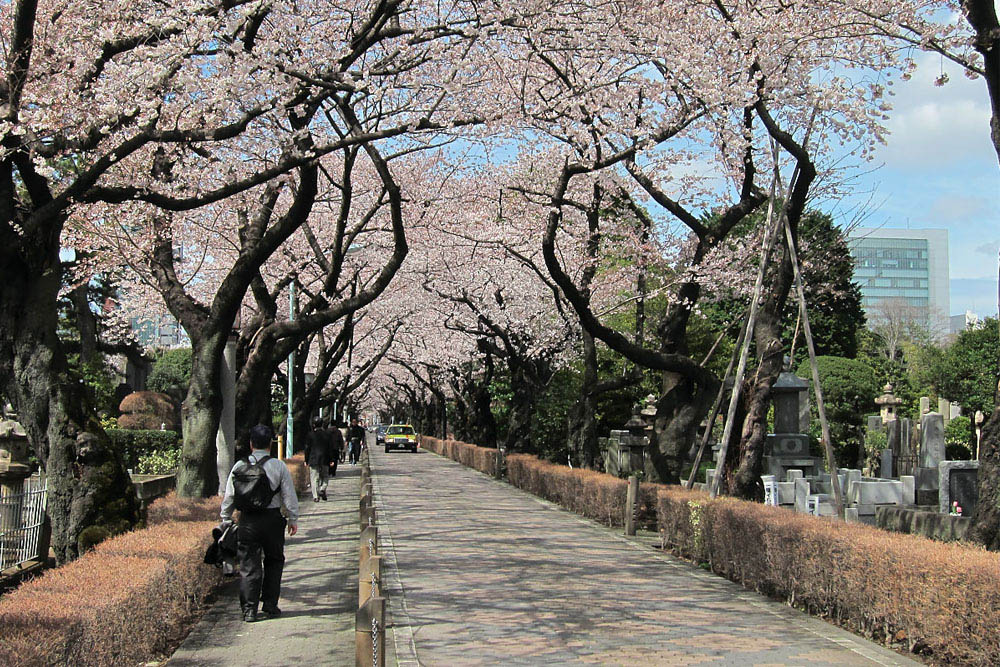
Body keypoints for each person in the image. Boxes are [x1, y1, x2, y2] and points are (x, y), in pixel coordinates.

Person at [221, 424, 299, 623]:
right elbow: (289, 495)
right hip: (272, 520)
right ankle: (270, 605)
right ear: (271, 444)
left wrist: (225, 517)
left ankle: (249, 610)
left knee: (249, 565)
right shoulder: (278, 466)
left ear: (250, 443)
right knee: (274, 561)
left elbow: (230, 495)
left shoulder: (239, 466)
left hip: (247, 521)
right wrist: (292, 518)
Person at [303, 416, 335, 502]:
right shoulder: (327, 434)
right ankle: (322, 488)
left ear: (313, 425)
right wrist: (332, 459)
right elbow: (330, 448)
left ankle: (315, 496)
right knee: (325, 476)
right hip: (325, 458)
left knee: (314, 478)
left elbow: (307, 448)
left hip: (313, 459)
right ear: (322, 424)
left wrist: (306, 460)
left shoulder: (310, 435)